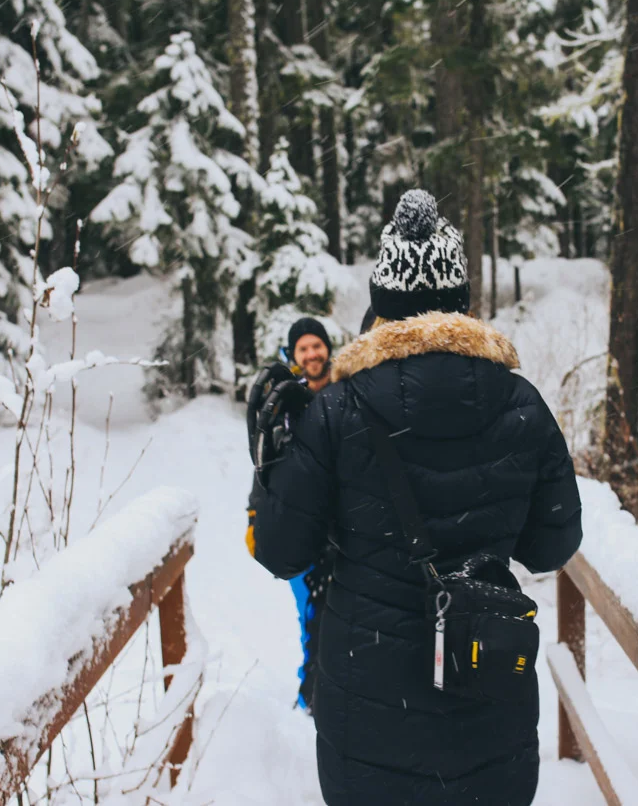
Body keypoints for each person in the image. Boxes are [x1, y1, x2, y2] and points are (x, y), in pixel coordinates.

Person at [250, 189, 583, 805]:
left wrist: (272, 459)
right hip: (488, 700)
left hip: (369, 714)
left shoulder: (337, 412)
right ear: (461, 301)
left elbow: (279, 551)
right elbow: (552, 546)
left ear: (381, 304)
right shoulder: (521, 405)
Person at [245, 316, 336, 712]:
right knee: (312, 620)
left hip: (343, 532)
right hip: (301, 532)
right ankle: (311, 698)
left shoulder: (349, 391)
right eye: (304, 347)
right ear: (292, 354)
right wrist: (255, 518)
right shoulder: (280, 404)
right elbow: (265, 468)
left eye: (317, 345)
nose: (312, 353)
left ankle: (331, 697)